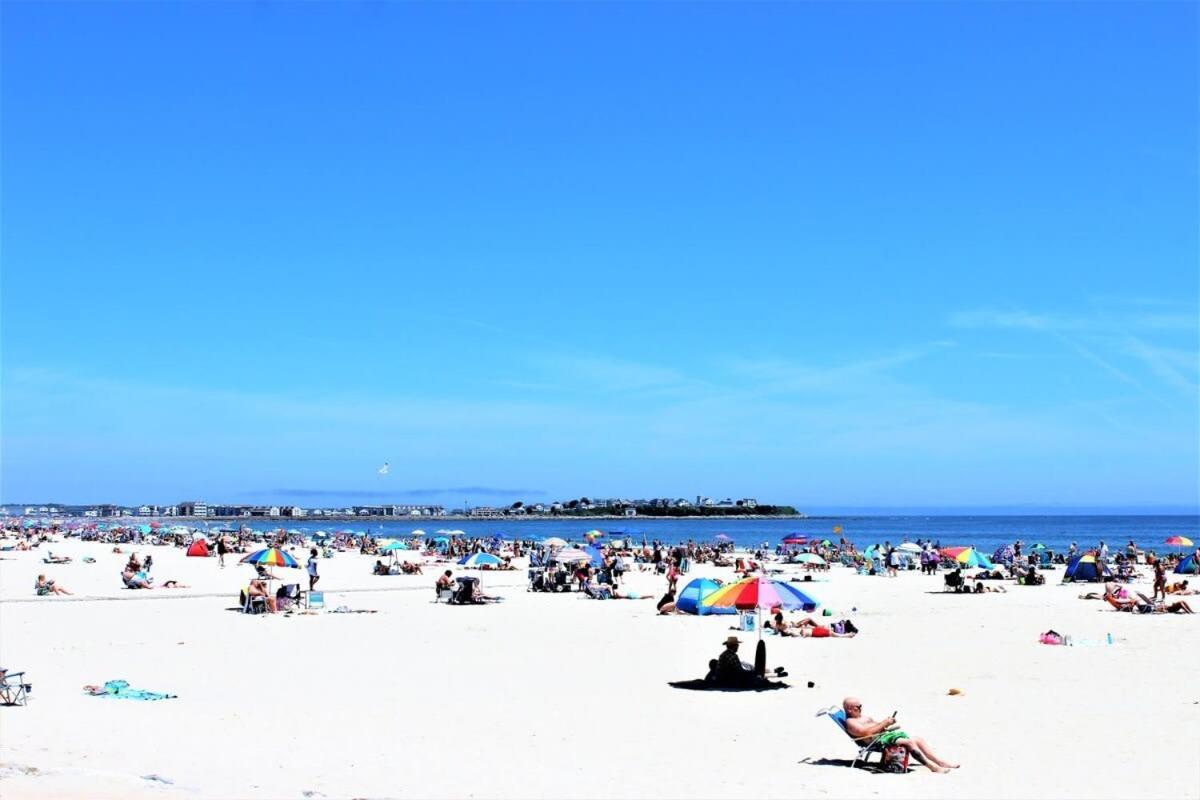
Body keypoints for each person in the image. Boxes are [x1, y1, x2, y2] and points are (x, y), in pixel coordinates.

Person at [841, 697, 959, 773]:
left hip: (885, 735)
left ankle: (940, 762)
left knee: (918, 739)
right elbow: (865, 734)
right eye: (858, 706)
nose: (861, 708)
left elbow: (877, 727)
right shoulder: (851, 722)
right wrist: (884, 723)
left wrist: (887, 723)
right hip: (878, 741)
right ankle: (933, 767)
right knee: (909, 742)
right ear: (850, 709)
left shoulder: (864, 717)